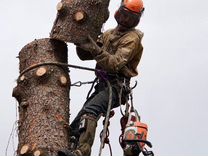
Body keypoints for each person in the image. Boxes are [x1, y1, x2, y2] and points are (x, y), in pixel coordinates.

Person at [58, 0, 145, 155]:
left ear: (136, 20)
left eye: (131, 18)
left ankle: (82, 151)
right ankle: (71, 144)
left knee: (91, 111)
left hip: (117, 87)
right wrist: (81, 42)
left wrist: (94, 49)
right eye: (125, 16)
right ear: (119, 13)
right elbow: (85, 56)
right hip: (103, 85)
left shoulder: (132, 38)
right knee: (79, 120)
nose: (126, 21)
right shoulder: (108, 34)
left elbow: (114, 64)